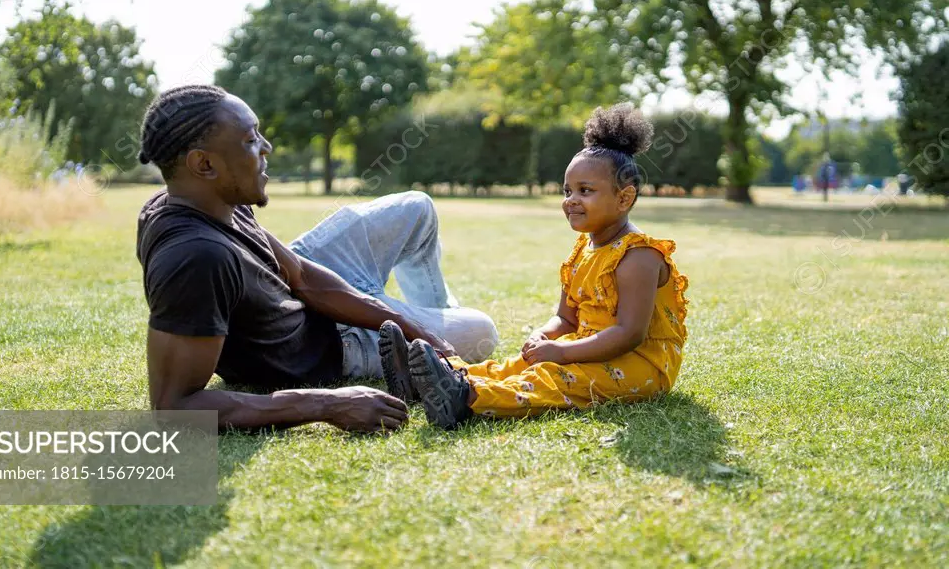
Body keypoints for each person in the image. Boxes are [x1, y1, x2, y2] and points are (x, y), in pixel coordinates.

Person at [135, 85, 498, 433]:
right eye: (250, 141)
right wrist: (327, 404)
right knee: (482, 331)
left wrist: (410, 326)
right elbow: (173, 407)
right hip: (324, 345)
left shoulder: (216, 199)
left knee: (416, 208)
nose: (267, 147)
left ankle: (427, 351)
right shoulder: (195, 259)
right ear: (204, 164)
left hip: (295, 298)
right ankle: (433, 354)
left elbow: (302, 275)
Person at [380, 104, 689, 429]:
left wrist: (563, 353)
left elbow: (629, 334)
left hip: (640, 364)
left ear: (624, 199)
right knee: (520, 364)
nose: (571, 200)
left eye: (586, 191)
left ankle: (467, 398)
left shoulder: (639, 256)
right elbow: (566, 317)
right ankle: (429, 378)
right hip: (591, 347)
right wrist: (544, 336)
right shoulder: (583, 250)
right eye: (567, 190)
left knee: (553, 377)